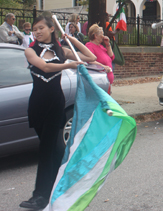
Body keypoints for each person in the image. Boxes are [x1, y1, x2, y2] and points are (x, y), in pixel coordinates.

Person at [21, 16, 96, 210]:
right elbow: (45, 67)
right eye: (35, 29)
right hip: (37, 105)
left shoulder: (62, 50)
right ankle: (63, 187)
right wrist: (68, 65)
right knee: (55, 150)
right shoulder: (30, 50)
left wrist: (72, 39)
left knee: (47, 150)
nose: (37, 32)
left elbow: (90, 57)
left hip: (55, 105)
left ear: (51, 29)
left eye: (41, 28)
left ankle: (40, 196)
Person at [86, 24, 114, 93]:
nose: (103, 36)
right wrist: (103, 67)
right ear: (95, 36)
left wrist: (108, 44)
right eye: (101, 34)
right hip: (100, 81)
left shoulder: (101, 46)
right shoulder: (89, 46)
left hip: (107, 82)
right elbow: (90, 61)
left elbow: (111, 57)